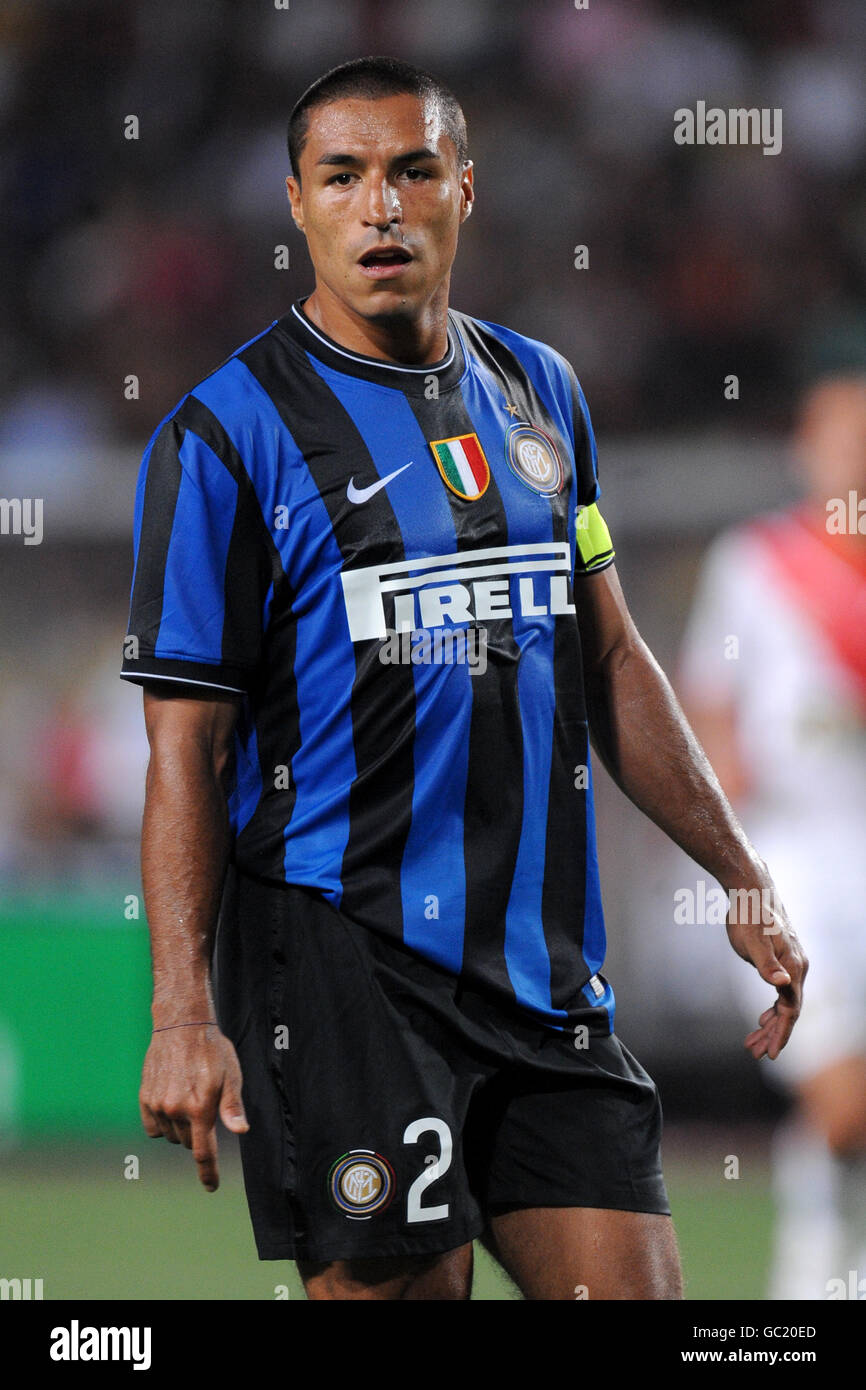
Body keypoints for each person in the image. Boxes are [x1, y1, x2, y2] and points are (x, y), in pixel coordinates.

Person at [120, 56, 806, 1301]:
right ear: (296, 204)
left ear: (463, 191)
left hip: (544, 975)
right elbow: (189, 752)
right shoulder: (223, 437)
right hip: (344, 977)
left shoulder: (540, 393)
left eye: (411, 171)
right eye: (343, 177)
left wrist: (738, 874)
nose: (379, 205)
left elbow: (607, 654)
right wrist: (182, 1006)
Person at [678, 376, 866, 1301]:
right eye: (840, 436)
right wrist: (728, 805)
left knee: (848, 1109)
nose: (854, 455)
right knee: (839, 1093)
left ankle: (818, 1273)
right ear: (806, 448)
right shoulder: (756, 564)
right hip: (790, 859)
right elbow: (707, 698)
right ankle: (820, 1272)